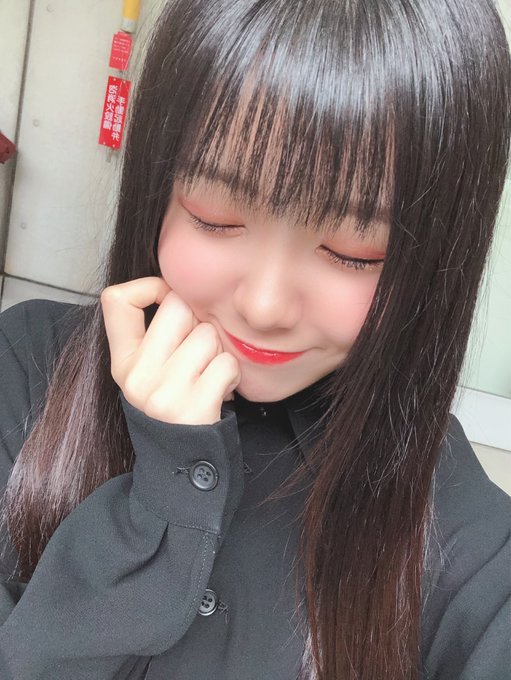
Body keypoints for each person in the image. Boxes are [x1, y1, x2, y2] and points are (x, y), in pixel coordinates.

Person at [0, 0, 510, 677]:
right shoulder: (23, 371)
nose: (264, 306)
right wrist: (162, 501)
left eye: (355, 250)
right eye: (215, 217)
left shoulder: (465, 542)